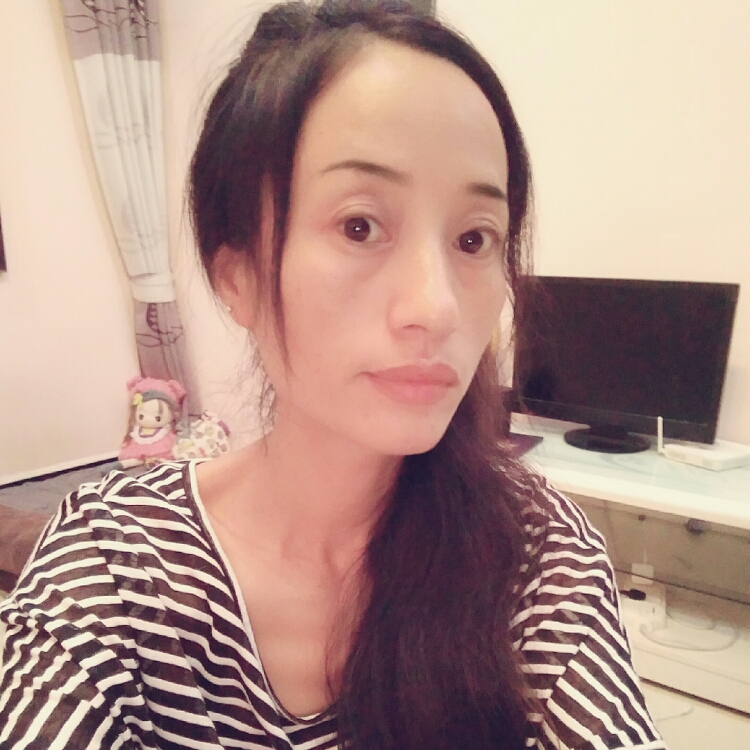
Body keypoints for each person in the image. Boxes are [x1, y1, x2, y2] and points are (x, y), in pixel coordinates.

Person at [0, 2, 667, 749]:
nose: (437, 307)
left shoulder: (538, 556)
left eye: (474, 238)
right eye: (360, 226)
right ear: (237, 275)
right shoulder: (115, 563)